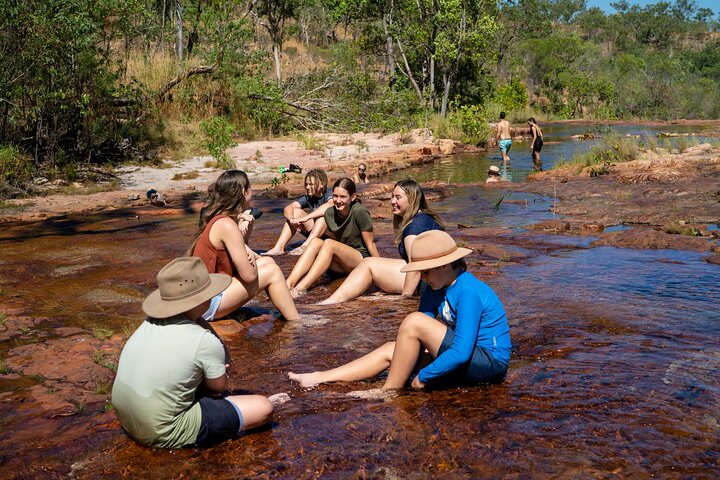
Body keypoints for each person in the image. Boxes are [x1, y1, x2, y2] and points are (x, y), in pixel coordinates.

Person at [289, 230, 511, 395]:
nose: (422, 278)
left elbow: (462, 351)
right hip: (467, 359)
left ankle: (389, 392)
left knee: (413, 321)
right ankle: (319, 377)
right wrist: (410, 362)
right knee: (392, 350)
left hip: (489, 364)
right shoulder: (434, 288)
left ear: (445, 265)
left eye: (425, 272)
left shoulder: (468, 290)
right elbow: (417, 339)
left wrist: (424, 376)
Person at [112, 257, 282, 448]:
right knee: (263, 407)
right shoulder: (203, 341)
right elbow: (218, 387)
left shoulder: (150, 322)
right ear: (201, 299)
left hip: (127, 417)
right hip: (164, 429)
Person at [190, 170, 300, 320]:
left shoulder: (220, 218)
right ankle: (296, 322)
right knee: (272, 271)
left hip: (203, 297)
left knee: (268, 261)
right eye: (250, 188)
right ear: (243, 192)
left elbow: (246, 256)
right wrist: (250, 258)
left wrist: (250, 254)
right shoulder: (227, 225)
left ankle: (283, 307)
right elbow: (249, 276)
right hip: (206, 304)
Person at [318, 179, 444, 305]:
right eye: (392, 196)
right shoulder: (426, 217)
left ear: (412, 199)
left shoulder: (412, 229)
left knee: (369, 264)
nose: (392, 201)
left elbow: (414, 268)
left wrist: (405, 298)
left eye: (398, 197)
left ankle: (331, 302)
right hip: (438, 277)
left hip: (427, 283)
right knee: (371, 280)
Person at [285, 178, 380, 297]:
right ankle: (288, 284)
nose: (338, 200)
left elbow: (370, 244)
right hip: (341, 263)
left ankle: (301, 288)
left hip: (360, 259)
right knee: (315, 242)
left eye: (343, 197)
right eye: (335, 196)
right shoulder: (330, 213)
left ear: (353, 197)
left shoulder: (360, 212)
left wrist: (380, 271)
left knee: (329, 243)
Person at [263, 169, 333, 256]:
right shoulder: (308, 197)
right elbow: (288, 207)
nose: (307, 187)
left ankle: (305, 247)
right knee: (295, 212)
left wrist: (307, 217)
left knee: (323, 216)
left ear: (322, 184)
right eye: (306, 184)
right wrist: (292, 219)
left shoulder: (330, 192)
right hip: (316, 233)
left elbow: (330, 205)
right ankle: (279, 248)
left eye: (311, 184)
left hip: (331, 234)